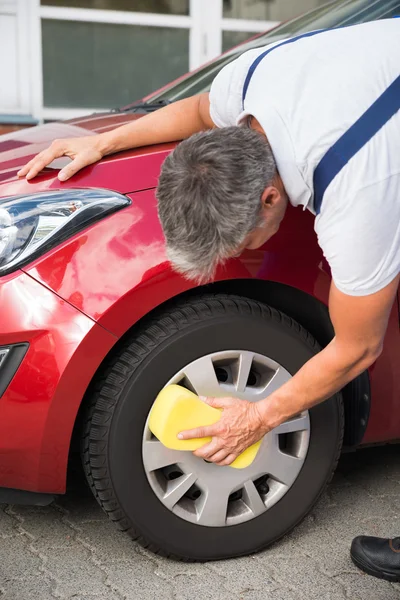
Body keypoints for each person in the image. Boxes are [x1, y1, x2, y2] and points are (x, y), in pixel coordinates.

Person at [18, 19, 400, 581]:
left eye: (242, 241)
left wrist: (260, 416)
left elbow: (359, 346)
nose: (238, 255)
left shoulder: (358, 190)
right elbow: (198, 112)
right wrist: (104, 141)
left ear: (271, 196)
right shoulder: (247, 83)